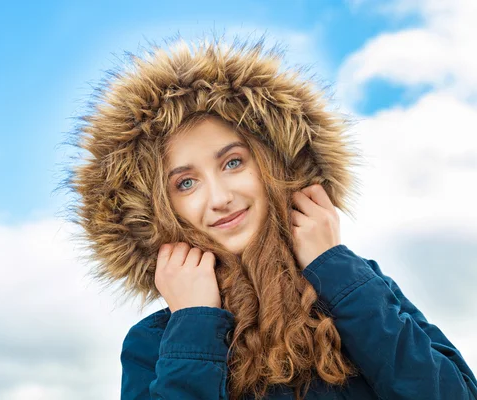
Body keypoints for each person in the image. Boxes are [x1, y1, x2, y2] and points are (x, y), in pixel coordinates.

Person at [68, 34, 477, 399]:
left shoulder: (355, 286)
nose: (220, 198)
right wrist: (194, 324)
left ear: (275, 166)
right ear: (158, 210)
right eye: (185, 184)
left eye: (232, 163)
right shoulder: (155, 342)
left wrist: (334, 268)